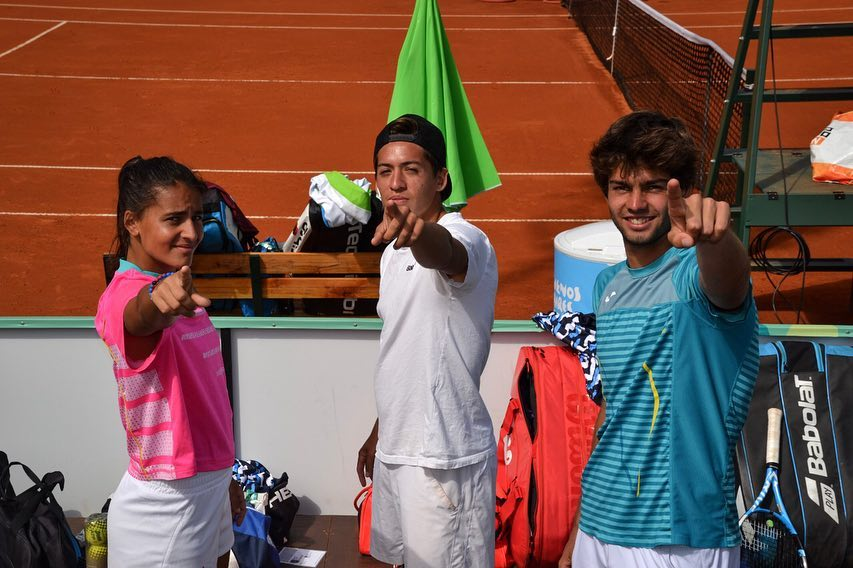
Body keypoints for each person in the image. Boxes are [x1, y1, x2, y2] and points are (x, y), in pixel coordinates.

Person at [558, 111, 759, 568]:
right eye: (621, 187)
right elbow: (615, 407)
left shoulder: (695, 274)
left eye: (651, 187)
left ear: (682, 191)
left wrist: (715, 240)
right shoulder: (606, 285)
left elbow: (729, 281)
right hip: (599, 525)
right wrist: (578, 531)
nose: (635, 203)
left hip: (678, 538)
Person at [355, 114, 499, 568]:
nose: (395, 183)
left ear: (440, 179)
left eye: (411, 170)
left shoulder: (467, 239)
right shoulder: (390, 255)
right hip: (398, 452)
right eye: (385, 171)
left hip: (444, 460)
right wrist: (382, 430)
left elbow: (447, 254)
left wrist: (418, 234)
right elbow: (405, 347)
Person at [95, 156, 246, 568]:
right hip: (164, 508)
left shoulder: (176, 284)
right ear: (132, 222)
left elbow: (202, 400)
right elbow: (138, 317)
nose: (192, 232)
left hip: (206, 484)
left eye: (197, 217)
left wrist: (223, 476)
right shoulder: (124, 296)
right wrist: (155, 303)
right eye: (174, 219)